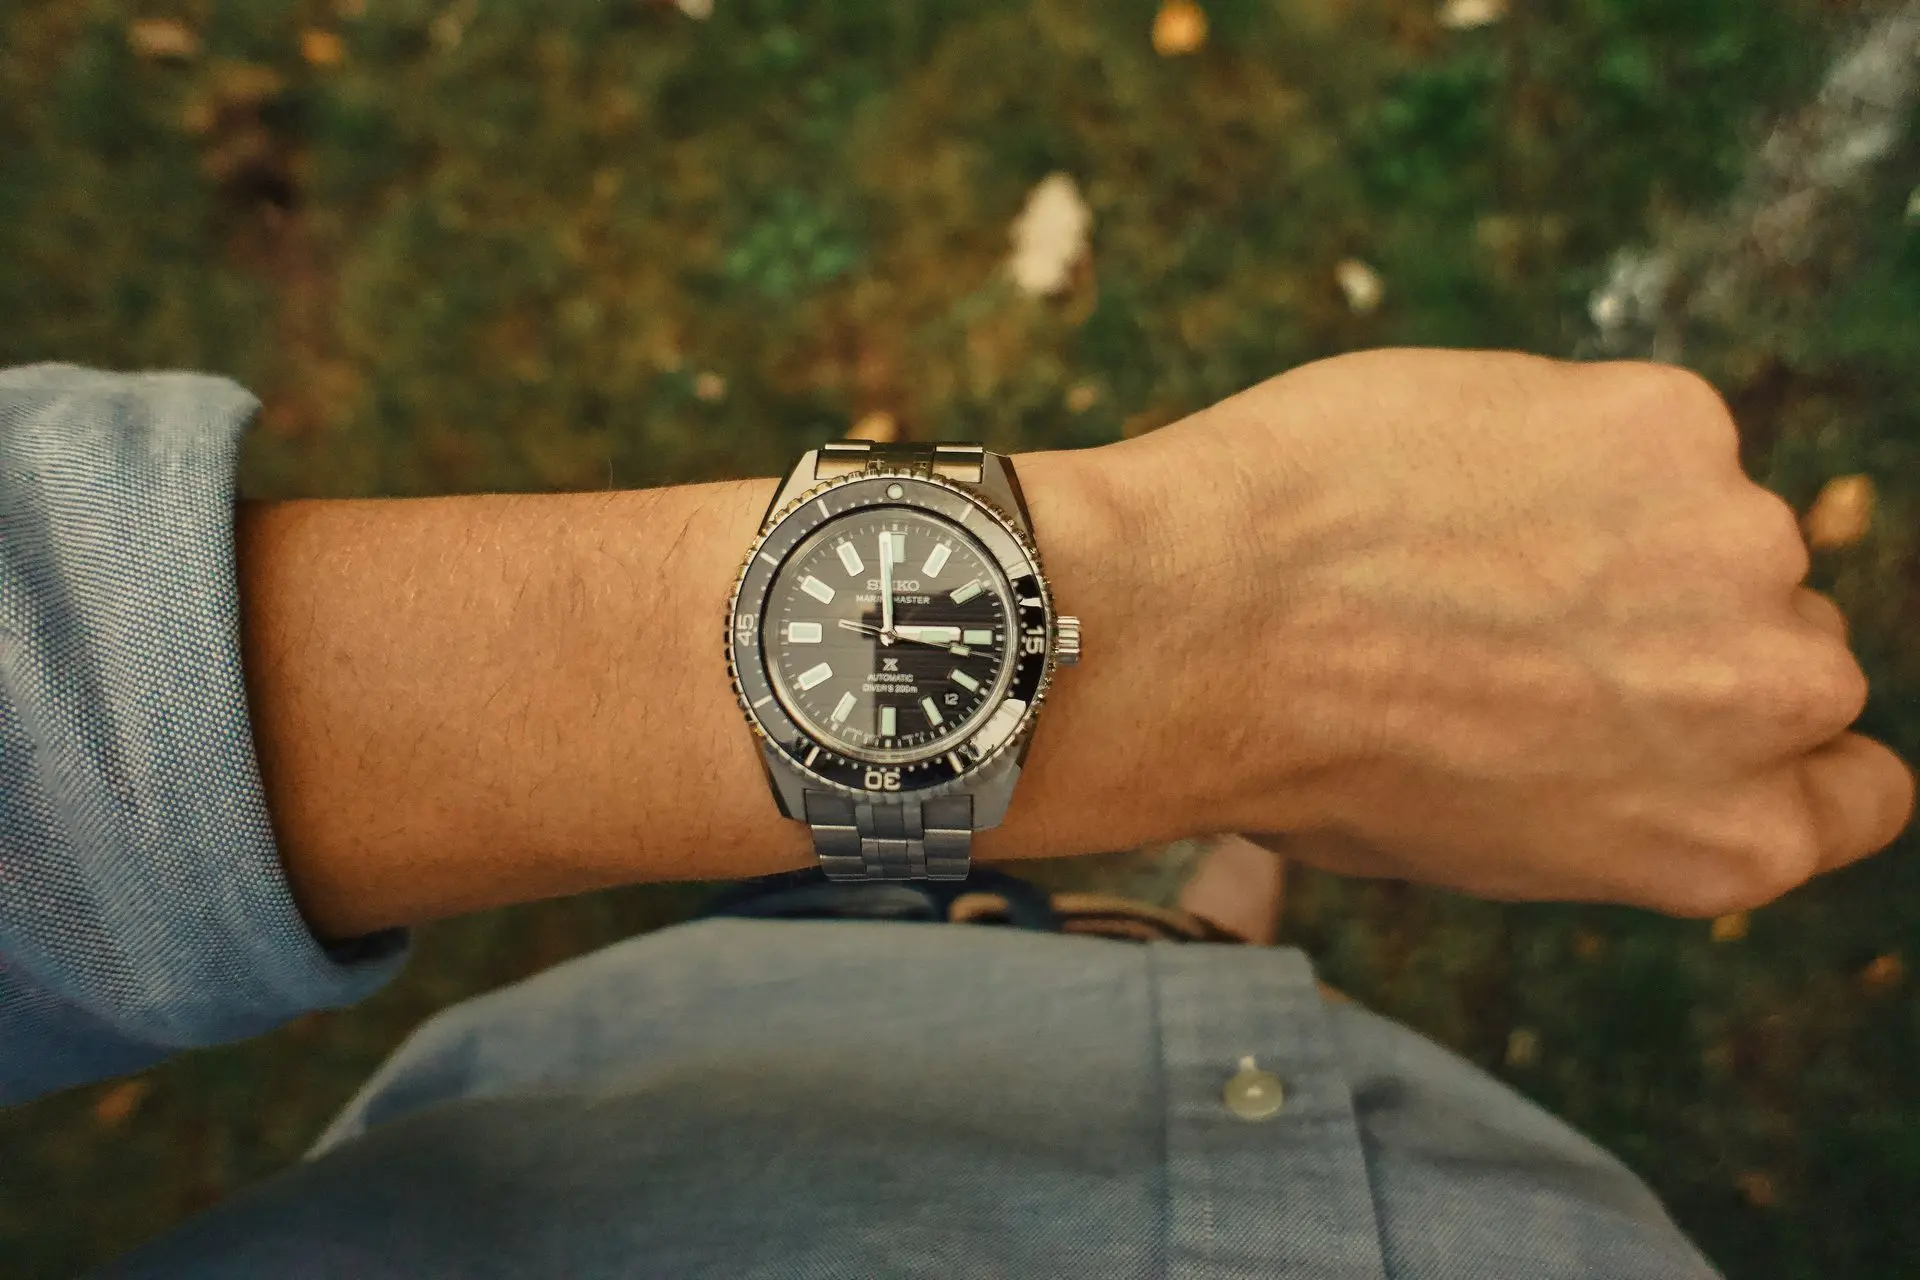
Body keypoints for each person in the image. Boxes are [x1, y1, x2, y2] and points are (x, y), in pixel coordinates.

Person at [1, 349, 1911, 1279]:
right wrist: (1217, 645)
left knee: (798, 982)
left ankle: (1068, 938)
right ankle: (1125, 938)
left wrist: (1187, 644)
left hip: (607, 1118)